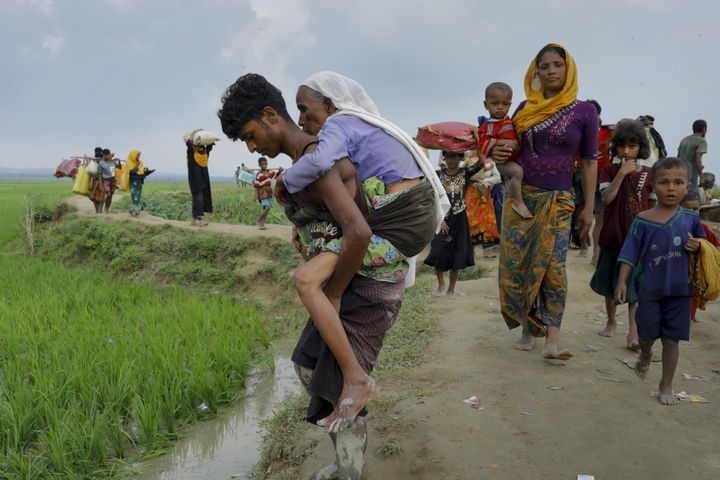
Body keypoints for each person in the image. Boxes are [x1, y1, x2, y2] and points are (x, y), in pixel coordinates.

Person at [218, 72, 446, 480]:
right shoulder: (308, 160)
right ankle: (346, 463)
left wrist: (335, 290)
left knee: (339, 377)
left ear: (271, 116)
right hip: (355, 269)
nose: (252, 148)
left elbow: (357, 230)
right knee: (308, 364)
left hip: (367, 282)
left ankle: (351, 469)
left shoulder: (316, 158)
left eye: (250, 135)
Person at [490, 43, 598, 360]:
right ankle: (527, 328)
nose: (550, 71)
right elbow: (509, 150)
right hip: (522, 198)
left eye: (557, 65)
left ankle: (552, 338)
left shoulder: (584, 112)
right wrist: (497, 155)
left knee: (553, 268)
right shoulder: (524, 109)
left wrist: (589, 207)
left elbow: (590, 161)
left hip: (559, 199)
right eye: (544, 66)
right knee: (519, 265)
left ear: (569, 69)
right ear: (536, 71)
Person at [615, 157, 705, 405]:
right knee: (646, 333)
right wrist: (622, 282)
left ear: (687, 186)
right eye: (664, 182)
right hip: (649, 290)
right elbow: (629, 253)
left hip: (680, 290)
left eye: (678, 182)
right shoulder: (642, 219)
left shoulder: (691, 219)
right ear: (653, 185)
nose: (671, 188)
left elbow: (707, 249)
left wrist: (699, 246)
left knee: (671, 339)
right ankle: (645, 353)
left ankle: (666, 384)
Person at [589, 119, 653, 350]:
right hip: (613, 236)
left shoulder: (648, 174)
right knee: (610, 284)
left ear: (640, 149)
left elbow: (653, 206)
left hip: (637, 241)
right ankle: (611, 321)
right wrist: (621, 175)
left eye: (632, 146)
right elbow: (606, 199)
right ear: (615, 147)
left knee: (634, 288)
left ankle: (633, 333)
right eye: (622, 146)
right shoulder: (609, 170)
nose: (626, 151)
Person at [424, 151, 481, 296]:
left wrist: (478, 142)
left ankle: (451, 289)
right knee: (437, 250)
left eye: (454, 156)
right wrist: (440, 219)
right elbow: (433, 197)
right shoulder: (437, 175)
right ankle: (441, 284)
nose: (450, 160)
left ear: (461, 158)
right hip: (442, 218)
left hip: (460, 218)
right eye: (447, 156)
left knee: (457, 253)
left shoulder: (466, 173)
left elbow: (482, 162)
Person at [478, 82, 528, 218]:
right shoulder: (487, 125)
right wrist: (504, 142)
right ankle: (518, 202)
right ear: (486, 104)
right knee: (518, 172)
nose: (500, 107)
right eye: (495, 103)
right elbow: (482, 143)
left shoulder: (510, 121)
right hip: (499, 163)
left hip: (511, 159)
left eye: (505, 104)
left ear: (510, 104)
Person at [680, 191, 719, 322]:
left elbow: (714, 245)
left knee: (695, 293)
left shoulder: (703, 228)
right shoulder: (675, 226)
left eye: (696, 209)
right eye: (689, 209)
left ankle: (690, 316)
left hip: (698, 268)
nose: (694, 212)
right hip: (681, 267)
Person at [587, 100, 613, 265]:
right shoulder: (579, 133)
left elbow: (624, 127)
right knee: (591, 218)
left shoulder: (607, 132)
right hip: (584, 177)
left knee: (601, 219)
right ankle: (590, 250)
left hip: (604, 177)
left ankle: (597, 255)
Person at [465, 156, 501, 253]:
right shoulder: (466, 160)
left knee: (486, 220)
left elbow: (498, 178)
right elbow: (463, 175)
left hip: (484, 194)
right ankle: (470, 252)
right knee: (470, 219)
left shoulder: (490, 161)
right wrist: (472, 183)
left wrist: (484, 182)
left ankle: (488, 249)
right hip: (471, 194)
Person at [186, 138, 214, 226]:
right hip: (195, 181)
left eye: (203, 148)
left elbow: (208, 150)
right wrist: (189, 143)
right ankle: (199, 220)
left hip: (204, 182)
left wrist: (210, 144)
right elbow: (190, 149)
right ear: (196, 148)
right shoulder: (192, 157)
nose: (202, 149)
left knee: (197, 200)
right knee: (199, 200)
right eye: (200, 148)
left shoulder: (204, 157)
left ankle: (194, 220)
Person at [677, 119, 708, 193]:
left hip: (680, 170)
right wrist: (701, 176)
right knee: (692, 194)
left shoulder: (684, 139)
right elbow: (697, 158)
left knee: (681, 193)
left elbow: (678, 157)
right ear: (704, 129)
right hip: (691, 171)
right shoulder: (702, 141)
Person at [253, 157, 281, 229]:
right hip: (262, 192)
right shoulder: (258, 174)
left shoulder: (270, 172)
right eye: (262, 164)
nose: (264, 165)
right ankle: (259, 220)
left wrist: (280, 171)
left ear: (267, 164)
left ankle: (262, 225)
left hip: (269, 192)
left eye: (265, 164)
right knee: (267, 207)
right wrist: (255, 197)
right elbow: (256, 186)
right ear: (259, 165)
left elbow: (276, 176)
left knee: (266, 209)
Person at [98, 148, 120, 213]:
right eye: (104, 155)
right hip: (106, 181)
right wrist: (100, 184)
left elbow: (119, 167)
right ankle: (102, 209)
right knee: (109, 194)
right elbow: (99, 174)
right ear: (103, 155)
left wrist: (118, 161)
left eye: (107, 155)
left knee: (110, 196)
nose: (106, 156)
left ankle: (107, 209)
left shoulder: (113, 162)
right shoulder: (101, 163)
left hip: (113, 180)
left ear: (109, 154)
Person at [126, 150, 147, 217]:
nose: (138, 156)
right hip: (133, 182)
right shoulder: (129, 162)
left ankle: (133, 211)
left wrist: (145, 174)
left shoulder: (140, 162)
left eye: (139, 155)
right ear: (133, 155)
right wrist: (137, 166)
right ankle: (135, 212)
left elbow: (141, 172)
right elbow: (131, 172)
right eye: (137, 155)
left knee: (138, 197)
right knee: (135, 198)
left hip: (139, 182)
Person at [88, 147, 106, 214]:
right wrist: (88, 185)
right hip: (95, 182)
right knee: (94, 197)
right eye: (97, 158)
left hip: (103, 183)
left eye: (100, 158)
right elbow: (89, 175)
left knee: (102, 197)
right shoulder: (92, 164)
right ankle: (97, 210)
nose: (98, 159)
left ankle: (100, 211)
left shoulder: (105, 163)